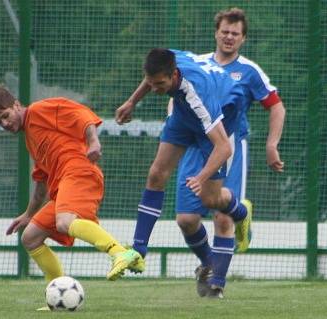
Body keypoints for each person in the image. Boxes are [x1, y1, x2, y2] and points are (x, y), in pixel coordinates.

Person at [0, 86, 143, 307]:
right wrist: (29, 214)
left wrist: (93, 141)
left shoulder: (40, 110)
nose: (5, 124)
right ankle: (55, 297)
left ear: (17, 105)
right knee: (30, 237)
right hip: (62, 185)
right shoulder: (30, 137)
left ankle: (119, 253)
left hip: (79, 171)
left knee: (65, 221)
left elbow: (80, 114)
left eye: (6, 116)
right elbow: (41, 182)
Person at [115, 48, 252, 292]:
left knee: (211, 199)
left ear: (174, 75)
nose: (155, 89)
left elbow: (223, 148)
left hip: (221, 120)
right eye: (151, 83)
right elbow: (151, 78)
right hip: (183, 116)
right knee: (157, 174)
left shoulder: (197, 94)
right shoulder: (168, 60)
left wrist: (201, 177)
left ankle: (240, 212)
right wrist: (131, 101)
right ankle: (139, 249)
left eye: (160, 84)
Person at [174, 7, 286, 298]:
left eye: (235, 33)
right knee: (186, 219)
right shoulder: (196, 64)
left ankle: (215, 286)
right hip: (198, 144)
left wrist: (271, 144)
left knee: (221, 217)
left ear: (243, 39)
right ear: (216, 32)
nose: (229, 37)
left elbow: (276, 105)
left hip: (231, 146)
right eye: (224, 31)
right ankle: (211, 262)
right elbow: (176, 95)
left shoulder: (249, 71)